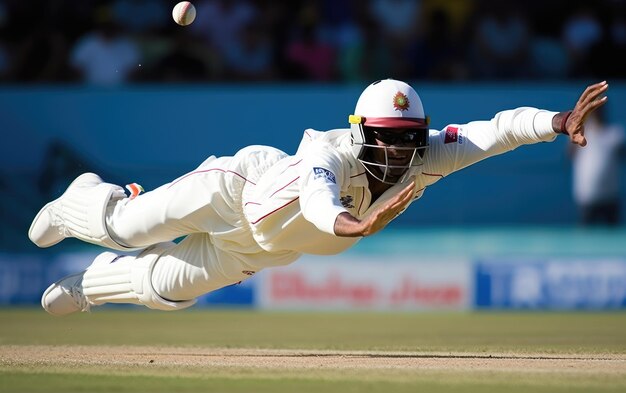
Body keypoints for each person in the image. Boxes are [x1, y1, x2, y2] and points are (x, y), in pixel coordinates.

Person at [28, 79, 608, 316]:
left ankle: (87, 289)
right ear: (362, 132)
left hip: (260, 250)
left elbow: (495, 130)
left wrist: (557, 120)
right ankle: (77, 200)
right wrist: (358, 225)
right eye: (389, 138)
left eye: (411, 138)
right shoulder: (329, 156)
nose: (404, 151)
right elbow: (315, 199)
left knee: (161, 288)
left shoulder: (428, 154)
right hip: (234, 192)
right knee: (129, 227)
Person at [570, 105, 625, 226]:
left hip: (610, 196)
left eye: (599, 109)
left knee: (612, 238)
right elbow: (570, 154)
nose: (596, 113)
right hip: (587, 196)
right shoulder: (580, 133)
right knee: (585, 238)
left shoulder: (615, 133)